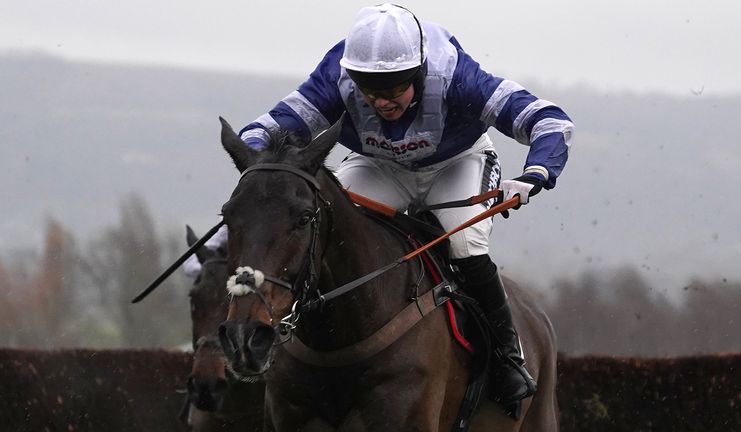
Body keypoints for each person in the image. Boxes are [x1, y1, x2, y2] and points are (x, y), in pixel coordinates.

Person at [237, 3, 573, 407]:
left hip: (458, 162)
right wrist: (257, 167)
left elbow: (549, 121)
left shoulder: (456, 76)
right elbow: (261, 131)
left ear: (418, 72)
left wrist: (535, 173)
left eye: (395, 88)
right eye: (369, 89)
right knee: (325, 227)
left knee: (465, 245)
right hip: (380, 166)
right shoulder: (336, 76)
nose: (381, 101)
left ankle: (507, 357)